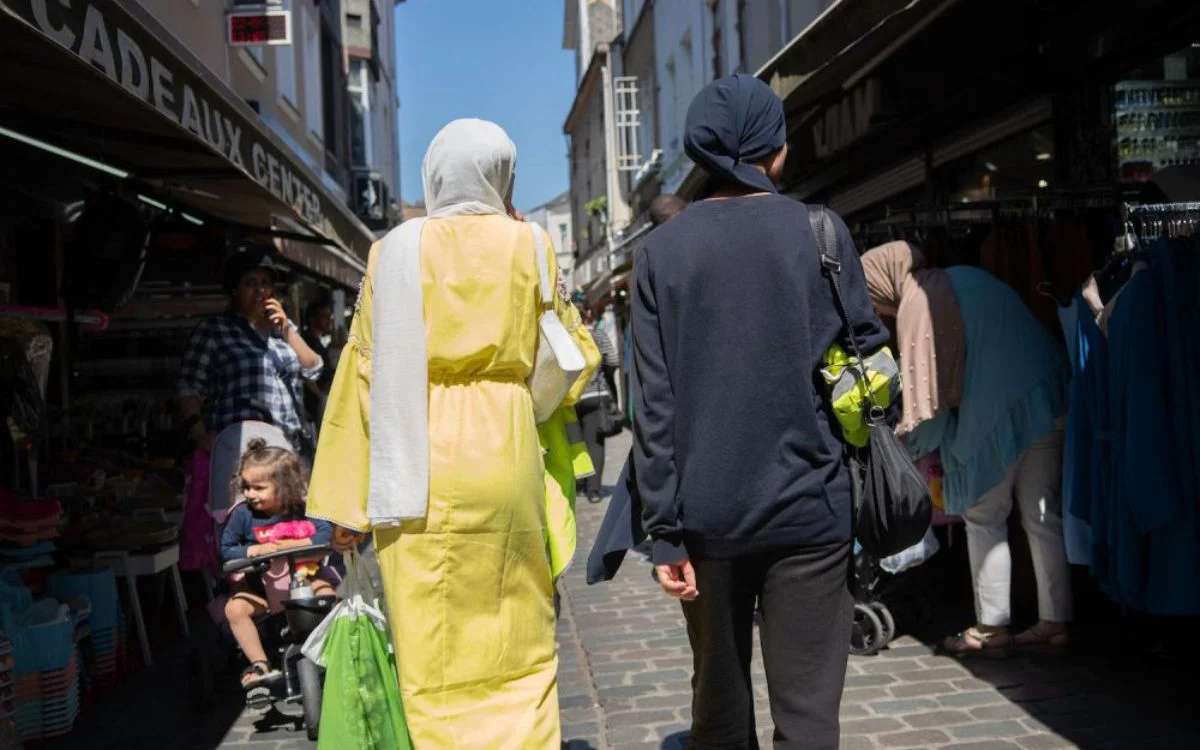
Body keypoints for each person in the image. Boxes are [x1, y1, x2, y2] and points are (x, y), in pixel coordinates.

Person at [307, 119, 590, 748]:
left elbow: (362, 370)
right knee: (519, 638)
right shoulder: (532, 245)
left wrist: (346, 502)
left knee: (431, 652)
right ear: (503, 175)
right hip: (505, 448)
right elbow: (576, 356)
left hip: (414, 451)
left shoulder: (394, 249)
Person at [633, 74, 888, 749]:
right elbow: (867, 356)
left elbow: (653, 405)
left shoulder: (660, 254)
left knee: (718, 713)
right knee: (808, 718)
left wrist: (664, 532)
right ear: (769, 149)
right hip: (811, 503)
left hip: (706, 514)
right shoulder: (822, 233)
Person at [859, 241, 1073, 656]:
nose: (878, 312)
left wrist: (905, 445)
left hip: (995, 417)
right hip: (1047, 398)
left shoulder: (918, 310)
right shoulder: (963, 278)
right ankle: (1055, 622)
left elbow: (933, 402)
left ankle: (990, 630)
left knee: (984, 517)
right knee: (1043, 515)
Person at [177, 248, 323, 457]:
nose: (260, 291)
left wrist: (287, 330)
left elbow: (314, 370)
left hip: (289, 450)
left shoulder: (282, 327)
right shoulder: (214, 330)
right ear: (234, 289)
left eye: (265, 283)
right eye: (250, 283)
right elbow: (188, 388)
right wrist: (200, 435)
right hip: (243, 451)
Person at [219, 439, 334, 698]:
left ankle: (329, 651)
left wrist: (291, 543)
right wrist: (255, 550)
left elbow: (325, 535)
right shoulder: (243, 515)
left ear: (284, 487)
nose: (249, 493)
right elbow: (226, 549)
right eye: (246, 486)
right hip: (261, 589)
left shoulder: (302, 510)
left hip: (305, 578)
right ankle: (260, 664)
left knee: (327, 595)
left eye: (258, 487)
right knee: (234, 609)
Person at [576, 302, 620, 503]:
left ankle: (578, 485)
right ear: (588, 314)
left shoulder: (565, 337)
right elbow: (612, 361)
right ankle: (593, 490)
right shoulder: (597, 335)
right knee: (595, 444)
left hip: (570, 398)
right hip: (595, 396)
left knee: (575, 442)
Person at [301, 298, 336, 429]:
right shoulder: (306, 342)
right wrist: (321, 398)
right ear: (312, 318)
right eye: (324, 316)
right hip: (315, 406)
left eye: (330, 317)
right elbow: (306, 377)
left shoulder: (319, 343)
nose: (329, 321)